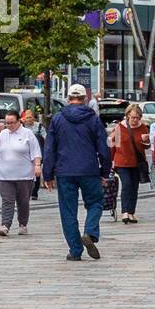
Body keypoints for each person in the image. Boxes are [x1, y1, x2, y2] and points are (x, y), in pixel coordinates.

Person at [43, 84, 111, 260]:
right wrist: (105, 171)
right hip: (89, 169)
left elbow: (49, 148)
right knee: (96, 202)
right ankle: (90, 232)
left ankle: (75, 251)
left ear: (68, 98)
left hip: (65, 171)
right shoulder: (93, 119)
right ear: (85, 99)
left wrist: (48, 174)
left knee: (68, 211)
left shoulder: (57, 119)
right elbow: (103, 148)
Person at [0, 109, 41, 236]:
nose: (9, 125)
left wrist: (37, 166)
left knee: (23, 202)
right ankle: (5, 225)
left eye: (12, 122)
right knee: (7, 200)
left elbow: (36, 151)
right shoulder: (3, 133)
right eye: (7, 123)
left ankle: (23, 224)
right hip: (5, 175)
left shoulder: (27, 133)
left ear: (19, 121)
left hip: (25, 175)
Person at [109, 103, 151, 224]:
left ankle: (131, 212)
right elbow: (112, 145)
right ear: (127, 116)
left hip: (137, 163)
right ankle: (125, 212)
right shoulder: (119, 127)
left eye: (137, 117)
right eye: (133, 117)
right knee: (127, 185)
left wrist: (145, 141)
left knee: (134, 187)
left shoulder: (142, 127)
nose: (135, 120)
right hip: (122, 162)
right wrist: (110, 162)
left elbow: (147, 146)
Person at [22, 109, 45, 199]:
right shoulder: (22, 126)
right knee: (26, 172)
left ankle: (34, 192)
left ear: (33, 118)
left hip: (36, 152)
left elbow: (45, 136)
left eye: (30, 117)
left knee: (36, 171)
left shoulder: (39, 126)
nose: (28, 119)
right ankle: (27, 191)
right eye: (27, 117)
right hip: (25, 153)